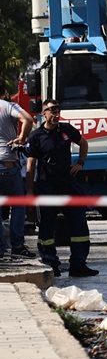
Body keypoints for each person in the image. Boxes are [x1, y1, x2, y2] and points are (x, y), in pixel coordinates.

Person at [24, 99, 98, 276]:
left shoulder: (67, 130)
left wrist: (80, 163)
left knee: (79, 225)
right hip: (47, 187)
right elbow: (30, 165)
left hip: (69, 186)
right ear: (44, 113)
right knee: (46, 228)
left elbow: (83, 143)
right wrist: (30, 191)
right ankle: (51, 265)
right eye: (52, 111)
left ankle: (78, 265)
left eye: (58, 111)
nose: (56, 115)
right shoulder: (36, 136)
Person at [1, 81, 35, 262]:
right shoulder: (9, 106)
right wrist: (21, 138)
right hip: (7, 164)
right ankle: (17, 246)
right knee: (18, 205)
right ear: (5, 91)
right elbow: (28, 119)